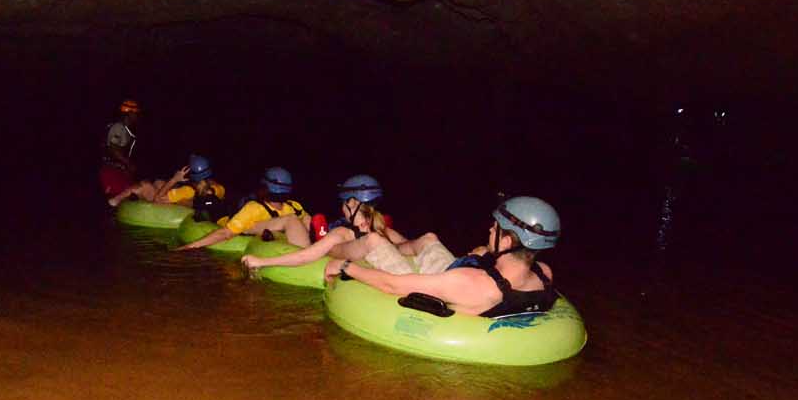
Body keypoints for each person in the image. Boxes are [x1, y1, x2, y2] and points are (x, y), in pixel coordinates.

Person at [328, 195, 562, 317]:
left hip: (450, 288)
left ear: (507, 241)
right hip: (460, 278)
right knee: (430, 239)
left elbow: (391, 285)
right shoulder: (544, 273)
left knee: (376, 246)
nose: (490, 229)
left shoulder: (470, 283)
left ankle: (361, 242)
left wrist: (347, 267)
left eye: (496, 227)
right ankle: (398, 244)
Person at [241, 174, 407, 274]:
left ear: (352, 204)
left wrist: (262, 262)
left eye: (343, 204)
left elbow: (304, 256)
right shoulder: (387, 232)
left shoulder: (342, 233)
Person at [173, 166, 306, 251]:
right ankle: (203, 212)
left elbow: (225, 233)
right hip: (230, 218)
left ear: (264, 187)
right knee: (213, 206)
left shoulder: (254, 208)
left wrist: (190, 246)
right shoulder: (295, 206)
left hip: (235, 219)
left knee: (216, 205)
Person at [106, 154, 226, 208]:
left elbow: (157, 200)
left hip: (172, 207)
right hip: (188, 202)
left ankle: (115, 200)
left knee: (145, 185)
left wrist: (174, 179)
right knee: (159, 183)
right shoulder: (219, 188)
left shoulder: (187, 191)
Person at [99, 99, 140, 198]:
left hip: (120, 172)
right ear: (129, 113)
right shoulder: (118, 128)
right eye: (136, 113)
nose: (138, 116)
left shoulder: (127, 130)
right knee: (116, 200)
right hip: (112, 172)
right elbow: (113, 149)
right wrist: (128, 164)